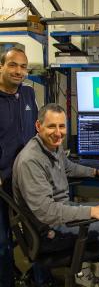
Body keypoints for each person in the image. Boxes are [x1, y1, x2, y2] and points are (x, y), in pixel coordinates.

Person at [12, 103, 99, 287]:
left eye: (61, 126)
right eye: (51, 126)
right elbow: (47, 212)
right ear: (38, 126)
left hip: (60, 213)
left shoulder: (52, 145)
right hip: (48, 231)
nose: (58, 133)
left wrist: (98, 172)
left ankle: (96, 276)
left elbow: (69, 167)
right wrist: (91, 212)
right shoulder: (31, 160)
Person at [0, 47, 38, 287]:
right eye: (13, 65)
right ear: (1, 67)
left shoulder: (27, 95)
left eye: (23, 67)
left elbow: (35, 133)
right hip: (2, 181)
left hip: (27, 179)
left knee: (38, 232)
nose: (18, 71)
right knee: (2, 241)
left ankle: (40, 279)